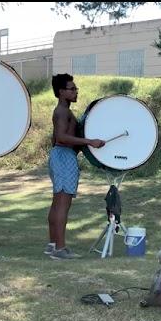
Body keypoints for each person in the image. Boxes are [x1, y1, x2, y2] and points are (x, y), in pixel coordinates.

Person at [45, 74, 104, 259]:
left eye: (75, 88)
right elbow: (61, 137)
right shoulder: (62, 111)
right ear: (61, 92)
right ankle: (60, 250)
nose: (76, 91)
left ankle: (53, 245)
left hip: (60, 155)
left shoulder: (64, 110)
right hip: (63, 156)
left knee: (57, 202)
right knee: (63, 203)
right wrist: (89, 141)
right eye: (72, 89)